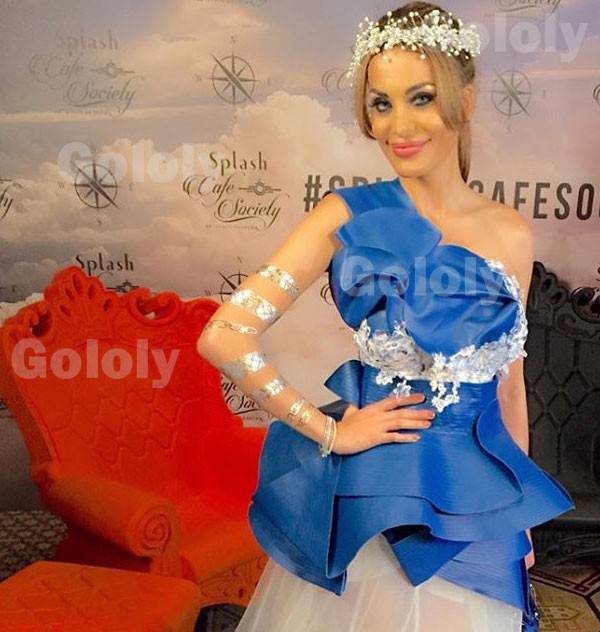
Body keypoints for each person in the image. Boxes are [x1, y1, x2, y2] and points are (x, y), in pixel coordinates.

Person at [196, 3, 575, 630]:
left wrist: (517, 515)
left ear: (464, 101)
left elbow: (509, 386)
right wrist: (328, 431)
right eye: (381, 104)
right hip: (381, 495)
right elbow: (225, 335)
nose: (399, 125)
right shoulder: (346, 215)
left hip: (479, 498)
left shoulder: (510, 232)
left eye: (421, 98)